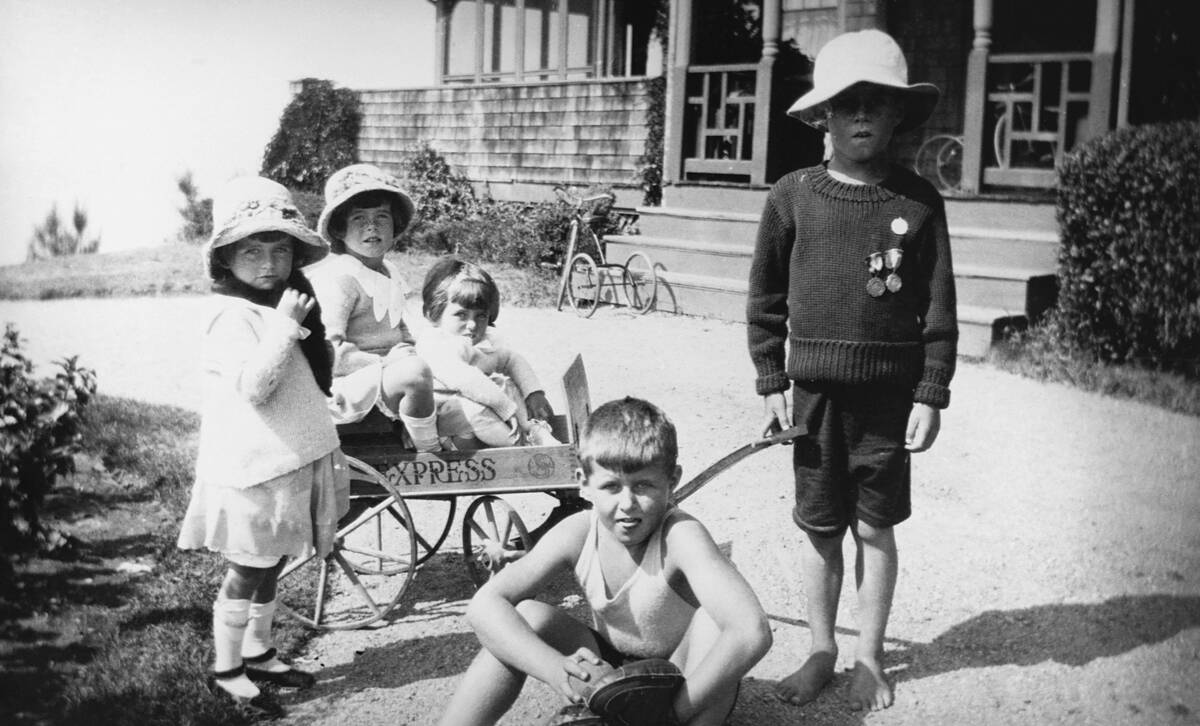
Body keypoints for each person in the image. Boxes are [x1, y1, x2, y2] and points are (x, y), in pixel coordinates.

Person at [746, 29, 958, 712]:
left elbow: (937, 303)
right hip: (813, 397)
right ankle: (821, 648)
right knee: (820, 527)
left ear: (899, 115)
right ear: (821, 116)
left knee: (875, 527)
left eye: (878, 102)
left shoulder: (919, 202)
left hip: (889, 399)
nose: (862, 114)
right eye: (846, 103)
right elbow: (765, 299)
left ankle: (868, 655)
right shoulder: (791, 196)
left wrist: (931, 389)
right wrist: (771, 378)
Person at [437, 397, 772, 726]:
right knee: (524, 615)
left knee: (715, 621)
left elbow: (751, 631)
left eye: (644, 485)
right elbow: (483, 606)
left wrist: (671, 714)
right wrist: (555, 669)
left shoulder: (681, 536)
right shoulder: (579, 531)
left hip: (681, 677)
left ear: (672, 480)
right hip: (610, 672)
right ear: (584, 482)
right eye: (611, 486)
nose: (627, 504)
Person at [177, 177, 350, 714]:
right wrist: (284, 328)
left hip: (286, 460)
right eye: (252, 251)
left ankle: (259, 650)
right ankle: (226, 667)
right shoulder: (233, 315)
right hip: (253, 467)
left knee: (271, 561)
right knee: (248, 566)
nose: (268, 263)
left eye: (280, 250)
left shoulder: (281, 304)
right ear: (226, 260)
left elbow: (306, 372)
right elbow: (255, 386)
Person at [305, 163, 439, 452]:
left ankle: (419, 425)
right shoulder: (341, 278)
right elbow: (327, 351)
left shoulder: (387, 271)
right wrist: (387, 365)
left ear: (395, 225)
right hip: (345, 384)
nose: (372, 227)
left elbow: (399, 329)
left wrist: (407, 353)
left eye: (382, 217)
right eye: (359, 218)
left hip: (383, 377)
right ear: (340, 229)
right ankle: (430, 450)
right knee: (415, 374)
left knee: (442, 370)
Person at [417, 256, 558, 449]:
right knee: (473, 408)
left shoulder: (482, 342)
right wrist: (507, 410)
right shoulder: (435, 344)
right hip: (445, 423)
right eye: (461, 315)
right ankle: (518, 447)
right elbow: (467, 380)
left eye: (481, 316)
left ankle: (534, 431)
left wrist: (534, 392)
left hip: (482, 414)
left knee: (507, 385)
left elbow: (510, 359)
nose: (472, 324)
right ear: (435, 313)